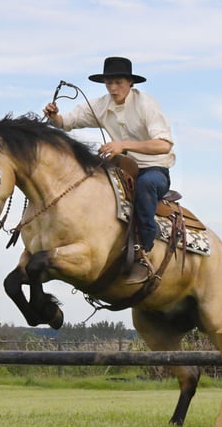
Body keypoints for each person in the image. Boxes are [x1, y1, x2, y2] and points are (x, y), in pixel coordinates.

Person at [43, 56, 175, 284]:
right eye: (109, 83)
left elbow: (164, 144)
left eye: (119, 83)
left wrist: (123, 145)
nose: (113, 88)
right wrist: (55, 117)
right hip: (122, 168)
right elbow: (67, 122)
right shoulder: (101, 105)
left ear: (131, 83)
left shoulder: (146, 104)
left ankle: (144, 253)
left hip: (154, 170)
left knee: (146, 185)